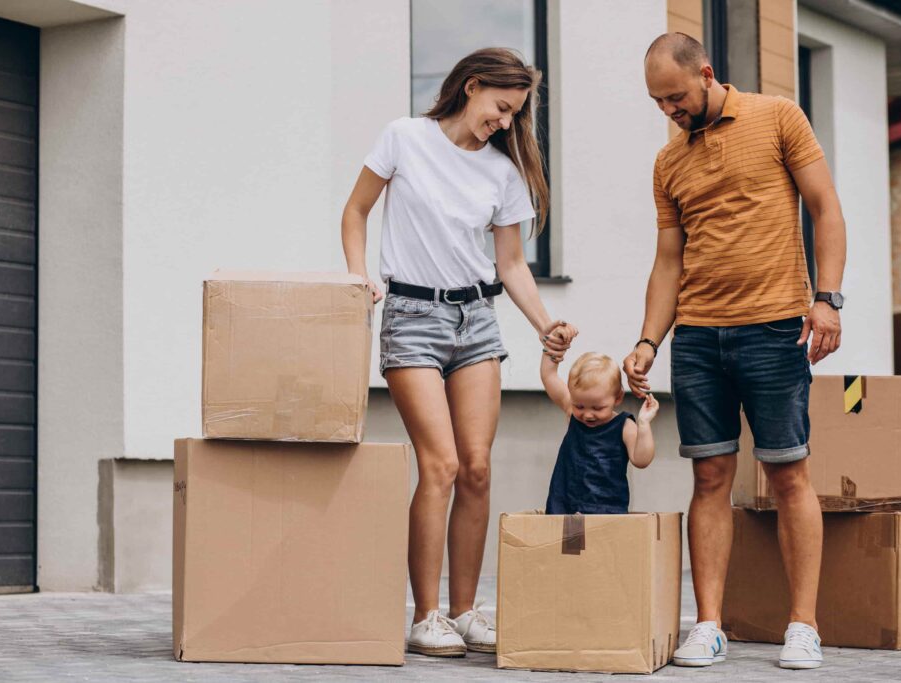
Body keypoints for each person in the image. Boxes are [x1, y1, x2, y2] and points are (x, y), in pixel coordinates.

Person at [341, 47, 578, 657]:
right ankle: (426, 616)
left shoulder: (501, 172)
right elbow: (356, 212)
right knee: (440, 464)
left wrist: (544, 324)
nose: (504, 122)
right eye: (500, 108)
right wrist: (357, 276)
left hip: (477, 321)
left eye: (514, 114)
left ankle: (465, 610)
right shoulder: (405, 138)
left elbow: (512, 264)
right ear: (471, 87)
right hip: (412, 317)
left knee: (477, 467)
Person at [624, 33, 846, 670]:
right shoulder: (669, 164)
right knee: (709, 477)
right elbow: (668, 262)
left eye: (674, 96)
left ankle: (803, 625)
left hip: (775, 328)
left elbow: (825, 208)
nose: (668, 109)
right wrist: (648, 339)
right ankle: (710, 625)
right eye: (657, 101)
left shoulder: (778, 118)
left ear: (706, 74)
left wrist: (827, 298)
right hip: (696, 337)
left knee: (787, 474)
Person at [541, 351, 658, 514]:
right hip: (565, 509)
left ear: (617, 398)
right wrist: (551, 348)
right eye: (579, 406)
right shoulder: (572, 414)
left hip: (607, 512)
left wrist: (644, 424)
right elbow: (549, 377)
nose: (587, 414)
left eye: (598, 408)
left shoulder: (624, 426)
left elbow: (641, 460)